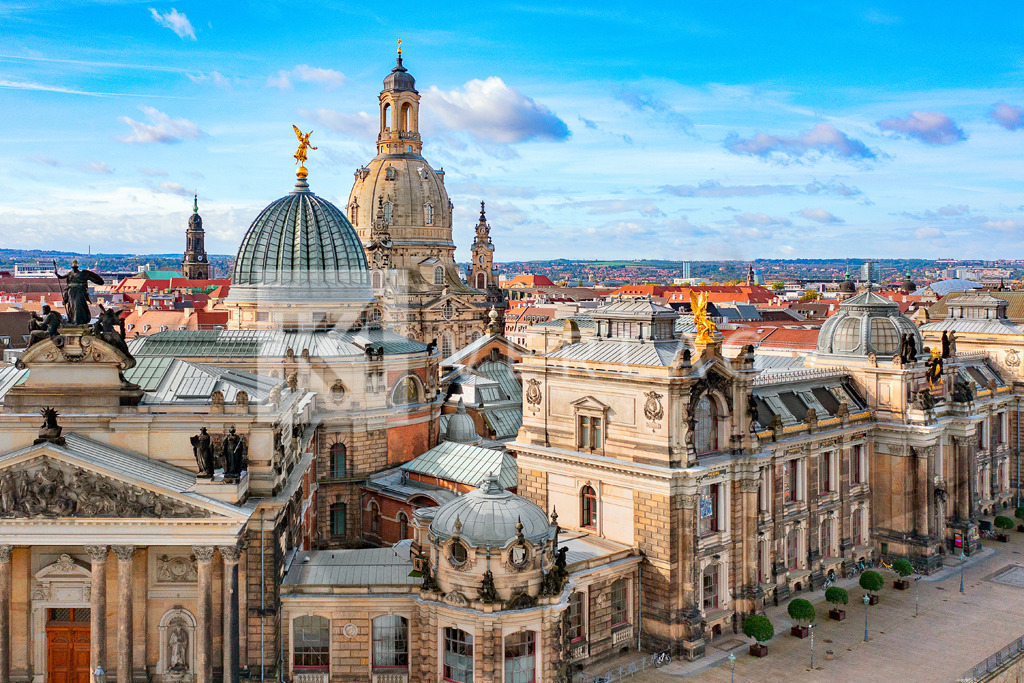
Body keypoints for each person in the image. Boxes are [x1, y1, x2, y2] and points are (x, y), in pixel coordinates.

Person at [54, 260, 104, 325]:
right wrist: (56, 273)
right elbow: (60, 277)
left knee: (78, 305)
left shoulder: (82, 274)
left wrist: (98, 281)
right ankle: (72, 319)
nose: (74, 269)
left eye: (74, 267)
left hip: (79, 291)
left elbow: (95, 280)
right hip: (71, 291)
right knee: (72, 305)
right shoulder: (70, 274)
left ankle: (78, 320)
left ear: (77, 268)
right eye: (73, 267)